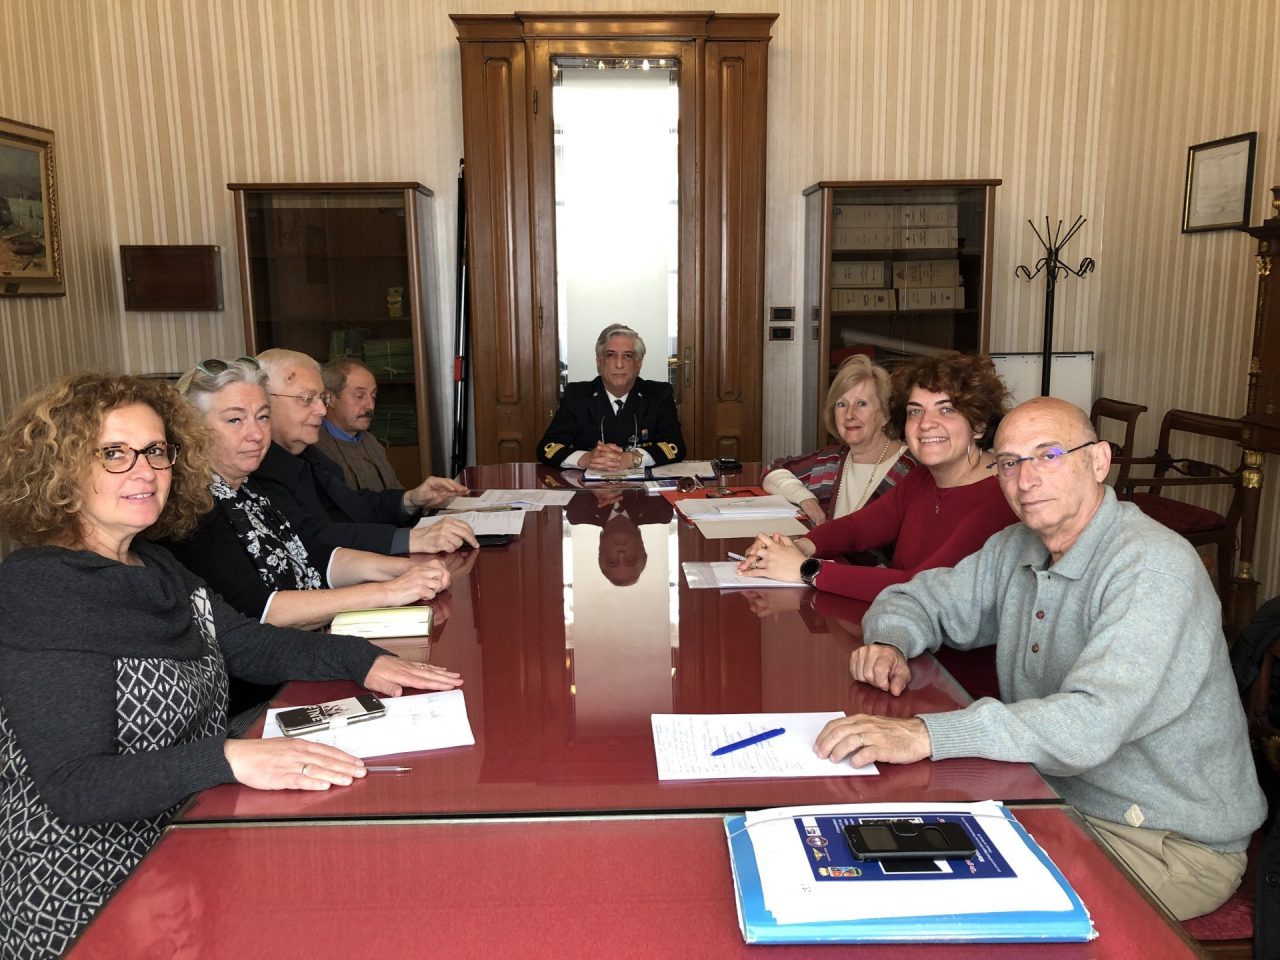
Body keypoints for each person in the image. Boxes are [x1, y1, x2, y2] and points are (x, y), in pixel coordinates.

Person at [0, 372, 464, 957]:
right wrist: (226, 757)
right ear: (60, 470)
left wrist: (364, 658)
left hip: (189, 833)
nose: (144, 471)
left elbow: (248, 643)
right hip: (90, 891)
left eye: (155, 450)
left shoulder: (154, 567)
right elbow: (77, 786)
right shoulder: (39, 591)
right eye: (113, 453)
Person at [813, 396, 1267, 921]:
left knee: (937, 909)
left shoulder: (1151, 569)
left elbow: (1088, 725)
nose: (1026, 479)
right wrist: (891, 642)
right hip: (1043, 794)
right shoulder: (1019, 545)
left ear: (1098, 461)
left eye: (1048, 455)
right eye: (1009, 462)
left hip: (1162, 841)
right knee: (864, 849)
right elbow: (916, 598)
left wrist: (927, 734)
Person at [165, 357, 451, 629]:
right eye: (235, 420)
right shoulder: (195, 507)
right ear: (192, 430)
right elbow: (262, 611)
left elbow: (312, 555)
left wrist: (402, 569)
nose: (257, 434)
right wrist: (388, 592)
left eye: (262, 417)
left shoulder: (246, 488)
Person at [738, 352, 1015, 602]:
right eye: (915, 411)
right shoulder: (921, 479)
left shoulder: (999, 497)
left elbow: (920, 587)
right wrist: (799, 546)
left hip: (939, 640)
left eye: (946, 409)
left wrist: (805, 569)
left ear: (978, 425)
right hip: (896, 625)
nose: (925, 424)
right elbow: (857, 529)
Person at [249, 349, 477, 556]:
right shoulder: (257, 469)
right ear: (264, 404)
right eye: (307, 399)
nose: (321, 410)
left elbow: (352, 505)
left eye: (321, 399)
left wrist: (411, 499)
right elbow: (309, 537)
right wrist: (410, 539)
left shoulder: (309, 454)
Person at [762, 354, 915, 526]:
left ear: (885, 414)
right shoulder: (831, 460)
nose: (849, 414)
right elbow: (773, 470)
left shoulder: (910, 468)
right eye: (842, 404)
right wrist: (804, 498)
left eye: (862, 404)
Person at [537, 323, 685, 470]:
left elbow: (675, 446)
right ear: (599, 362)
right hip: (587, 482)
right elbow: (548, 448)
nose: (619, 364)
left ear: (638, 364)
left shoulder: (658, 394)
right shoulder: (577, 395)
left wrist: (633, 458)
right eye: (611, 355)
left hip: (643, 482)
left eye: (628, 356)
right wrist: (585, 458)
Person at [314, 355, 404, 493]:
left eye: (373, 397)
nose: (370, 406)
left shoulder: (372, 442)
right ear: (329, 398)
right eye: (359, 396)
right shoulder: (316, 447)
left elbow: (396, 492)